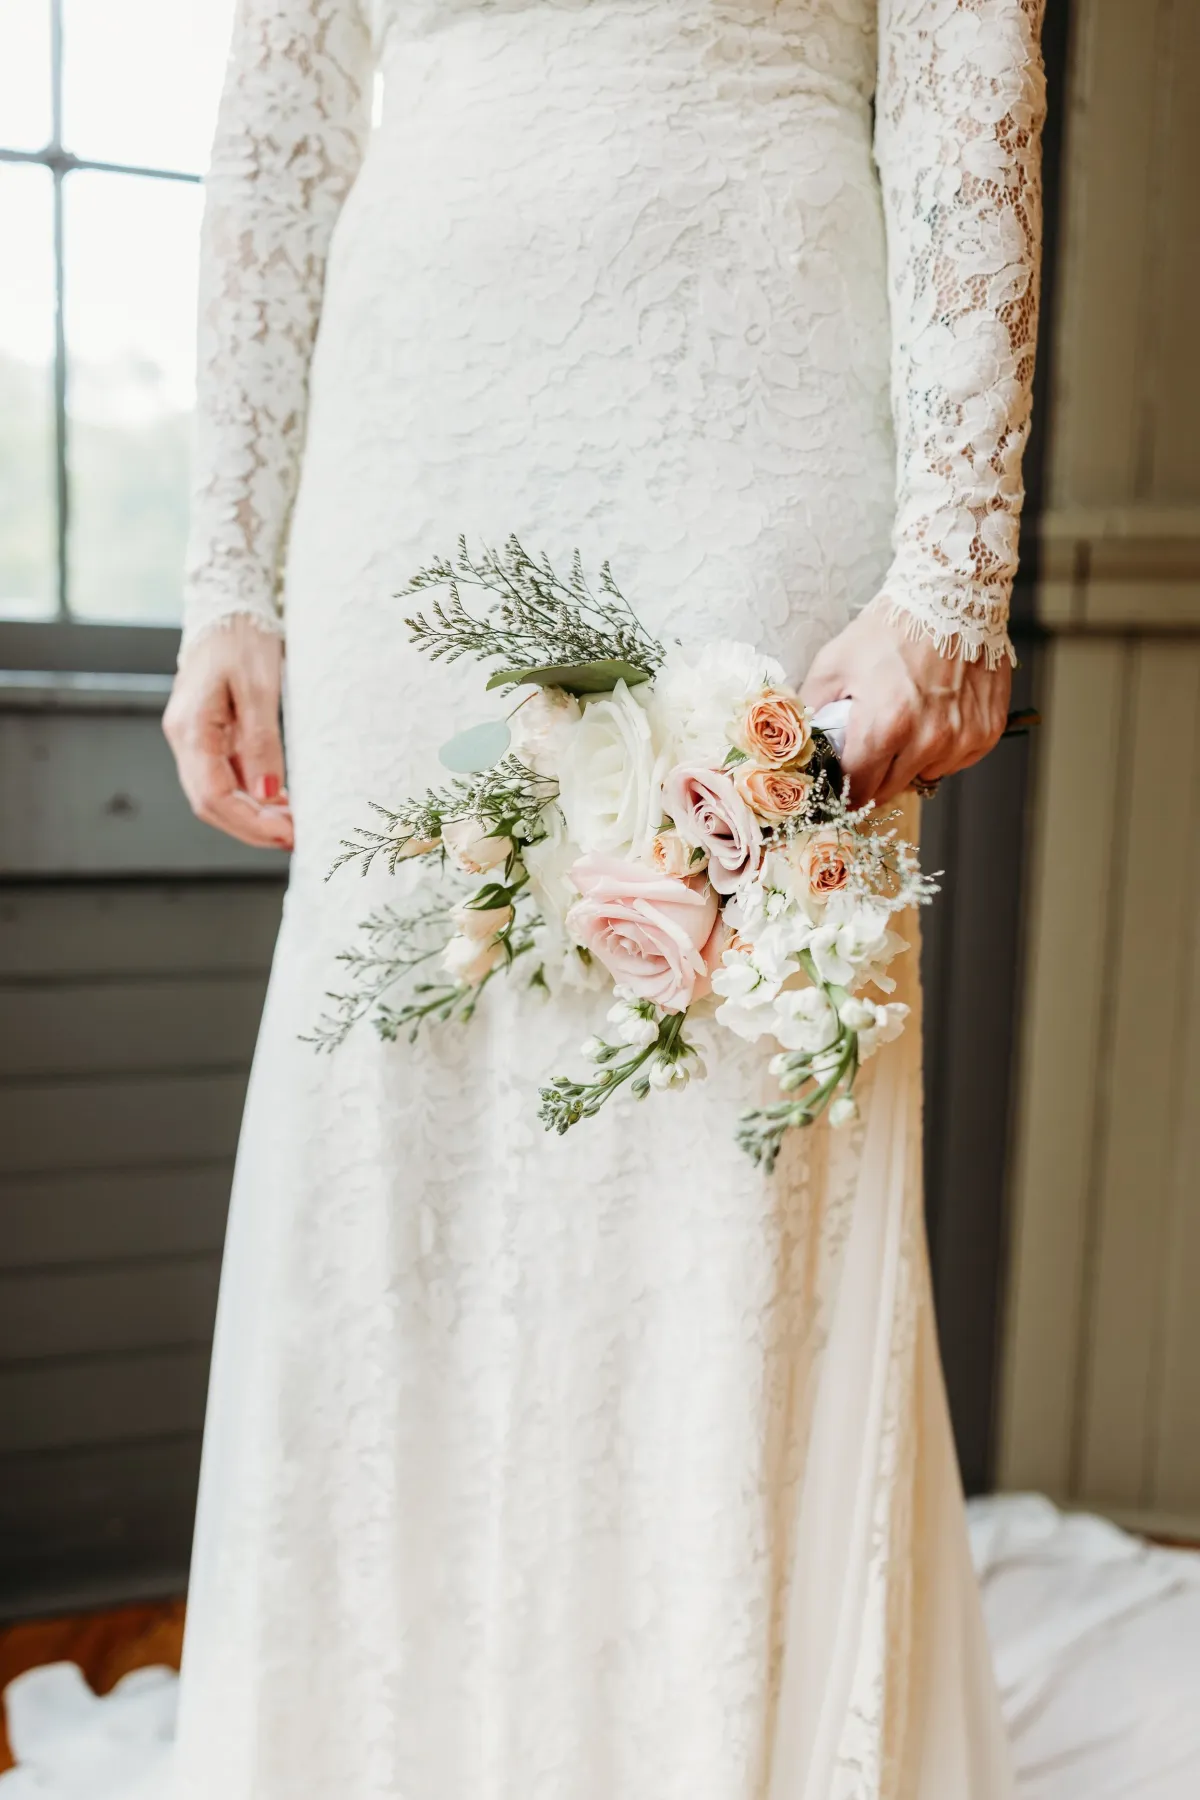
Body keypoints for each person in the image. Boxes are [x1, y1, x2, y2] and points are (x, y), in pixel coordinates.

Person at [161, 2, 1044, 1794]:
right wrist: (227, 573)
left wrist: (956, 562)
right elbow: (283, 116)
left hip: (754, 405)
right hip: (408, 453)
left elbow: (968, 55)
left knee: (733, 1122)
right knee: (398, 1138)